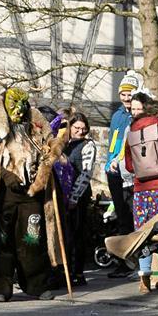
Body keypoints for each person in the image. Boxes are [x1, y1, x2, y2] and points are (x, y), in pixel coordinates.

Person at [0, 88, 68, 301]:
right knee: (1, 242)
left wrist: (46, 166)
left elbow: (46, 152)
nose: (19, 109)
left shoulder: (34, 128)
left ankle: (37, 284)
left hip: (31, 194)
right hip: (2, 197)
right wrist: (5, 175)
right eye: (14, 104)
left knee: (33, 239)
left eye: (23, 104)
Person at [125, 92, 158, 294]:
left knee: (143, 233)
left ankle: (144, 277)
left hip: (140, 190)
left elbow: (129, 166)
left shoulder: (133, 129)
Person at [105, 72, 139, 278]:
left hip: (130, 173)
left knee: (133, 217)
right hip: (114, 173)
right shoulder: (117, 115)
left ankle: (134, 261)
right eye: (123, 94)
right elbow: (113, 142)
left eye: (130, 94)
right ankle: (123, 261)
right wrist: (109, 162)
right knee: (121, 217)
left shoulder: (136, 115)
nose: (126, 98)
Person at [63, 112, 96, 286]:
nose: (80, 132)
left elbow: (86, 173)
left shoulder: (87, 145)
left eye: (83, 129)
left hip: (79, 195)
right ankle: (65, 270)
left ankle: (77, 271)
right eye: (77, 128)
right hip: (64, 194)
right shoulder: (65, 144)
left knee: (77, 234)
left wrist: (75, 197)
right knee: (67, 234)